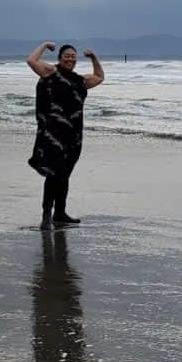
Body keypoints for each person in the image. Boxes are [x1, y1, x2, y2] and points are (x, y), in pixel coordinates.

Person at [25, 42, 104, 230]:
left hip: (73, 136)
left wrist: (93, 57)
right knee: (54, 174)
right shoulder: (50, 72)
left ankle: (60, 213)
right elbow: (31, 60)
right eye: (67, 55)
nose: (70, 58)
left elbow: (100, 77)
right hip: (53, 134)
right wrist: (44, 45)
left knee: (65, 175)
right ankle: (46, 215)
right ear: (60, 58)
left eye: (73, 56)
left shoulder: (79, 80)